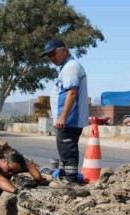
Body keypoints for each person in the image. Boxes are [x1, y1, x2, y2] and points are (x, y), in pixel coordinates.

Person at [42, 39, 89, 185]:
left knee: (68, 149)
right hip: (66, 120)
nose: (52, 59)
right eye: (49, 56)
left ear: (64, 50)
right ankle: (65, 176)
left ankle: (71, 180)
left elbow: (72, 93)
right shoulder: (66, 67)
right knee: (64, 149)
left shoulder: (70, 67)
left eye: (53, 54)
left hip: (69, 120)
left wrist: (63, 117)